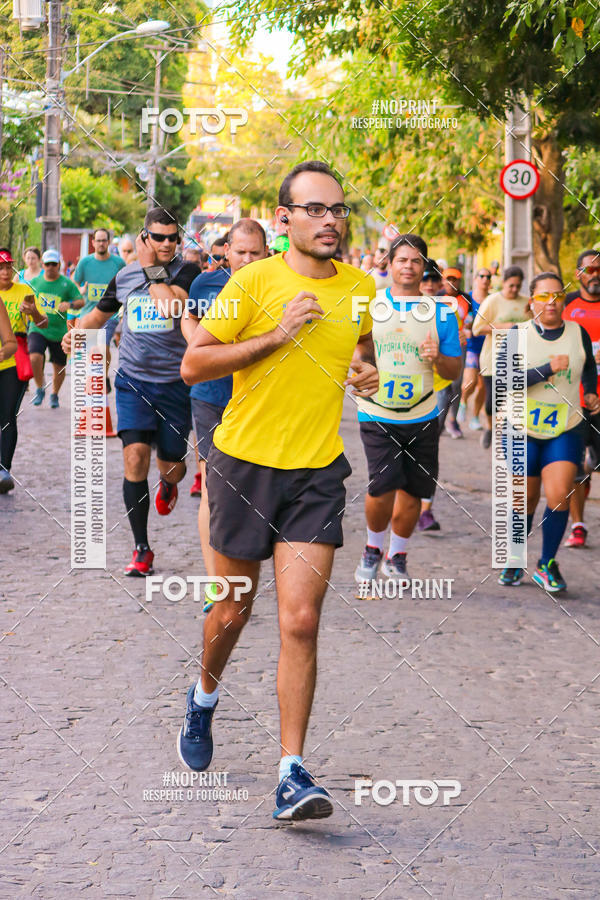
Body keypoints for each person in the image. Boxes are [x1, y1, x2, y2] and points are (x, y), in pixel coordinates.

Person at [179, 160, 378, 821]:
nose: (330, 220)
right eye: (315, 209)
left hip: (316, 472)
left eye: (338, 209)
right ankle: (204, 695)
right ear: (284, 218)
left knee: (300, 621)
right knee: (232, 613)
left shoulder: (360, 286)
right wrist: (279, 335)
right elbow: (195, 362)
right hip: (242, 466)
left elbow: (359, 342)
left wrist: (362, 369)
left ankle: (292, 772)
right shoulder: (254, 281)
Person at [62, 208, 201, 576]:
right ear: (145, 238)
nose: (168, 243)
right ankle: (142, 548)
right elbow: (98, 315)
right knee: (135, 457)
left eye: (173, 236)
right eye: (159, 237)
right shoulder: (124, 278)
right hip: (133, 382)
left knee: (173, 468)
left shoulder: (188, 272)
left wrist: (148, 264)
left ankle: (169, 485)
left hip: (175, 386)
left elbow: (169, 304)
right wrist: (75, 334)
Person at [354, 233, 461, 584]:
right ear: (389, 263)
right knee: (383, 485)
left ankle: (397, 554)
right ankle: (372, 547)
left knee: (416, 489)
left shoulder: (441, 313)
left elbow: (453, 370)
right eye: (402, 260)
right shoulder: (370, 306)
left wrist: (437, 358)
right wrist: (357, 369)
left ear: (424, 266)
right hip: (377, 410)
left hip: (424, 413)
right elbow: (354, 350)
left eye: (416, 261)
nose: (409, 266)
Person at [182, 219, 269, 610]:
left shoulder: (278, 286)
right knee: (212, 484)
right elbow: (190, 320)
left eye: (255, 252)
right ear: (226, 252)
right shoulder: (206, 285)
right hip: (213, 396)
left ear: (266, 252)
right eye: (241, 252)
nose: (248, 259)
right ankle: (215, 582)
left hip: (261, 401)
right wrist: (207, 351)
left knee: (250, 487)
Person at [498, 273, 599, 592]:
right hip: (521, 428)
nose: (551, 302)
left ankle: (546, 564)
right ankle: (515, 559)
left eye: (557, 295)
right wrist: (547, 369)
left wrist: (591, 392)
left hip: (564, 427)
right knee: (524, 501)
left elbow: (588, 367)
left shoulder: (577, 333)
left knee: (558, 496)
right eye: (543, 296)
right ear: (532, 301)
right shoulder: (518, 334)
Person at [0, 248, 47, 492]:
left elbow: (43, 323)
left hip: (15, 356)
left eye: (8, 267)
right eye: (1, 267)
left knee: (7, 415)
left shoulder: (24, 291)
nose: (5, 272)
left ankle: (3, 468)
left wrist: (34, 312)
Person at [562, 250, 600, 548]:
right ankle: (578, 525)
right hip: (575, 399)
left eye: (599, 270)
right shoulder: (566, 305)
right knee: (577, 465)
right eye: (589, 270)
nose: (595, 275)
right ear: (578, 274)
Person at [472, 265, 531, 448]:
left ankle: (511, 436)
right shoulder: (492, 301)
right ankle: (490, 428)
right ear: (503, 283)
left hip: (520, 359)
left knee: (515, 400)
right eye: (510, 285)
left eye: (517, 286)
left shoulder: (527, 302)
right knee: (492, 403)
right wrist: (506, 326)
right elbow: (477, 329)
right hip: (494, 359)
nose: (514, 289)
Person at [28, 249, 83, 408]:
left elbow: (80, 301)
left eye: (54, 264)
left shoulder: (66, 283)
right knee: (34, 357)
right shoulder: (36, 282)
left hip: (59, 332)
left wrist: (69, 304)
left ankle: (54, 394)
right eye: (48, 264)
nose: (51, 267)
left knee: (59, 367)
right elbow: (27, 300)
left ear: (59, 265)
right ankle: (39, 387)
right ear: (42, 264)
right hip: (38, 328)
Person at [73, 228, 126, 378]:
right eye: (98, 240)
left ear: (108, 242)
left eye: (104, 240)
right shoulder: (85, 263)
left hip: (110, 315)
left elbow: (126, 285)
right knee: (89, 350)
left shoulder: (119, 263)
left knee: (103, 346)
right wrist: (80, 290)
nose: (101, 244)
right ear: (93, 242)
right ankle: (93, 379)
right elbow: (74, 284)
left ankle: (103, 376)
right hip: (88, 314)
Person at [458, 267, 491, 430]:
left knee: (483, 385)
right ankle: (463, 402)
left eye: (488, 276)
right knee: (470, 381)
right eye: (482, 276)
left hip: (488, 347)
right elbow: (460, 318)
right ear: (476, 278)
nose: (485, 279)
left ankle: (476, 417)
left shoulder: (493, 300)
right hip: (471, 347)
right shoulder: (467, 298)